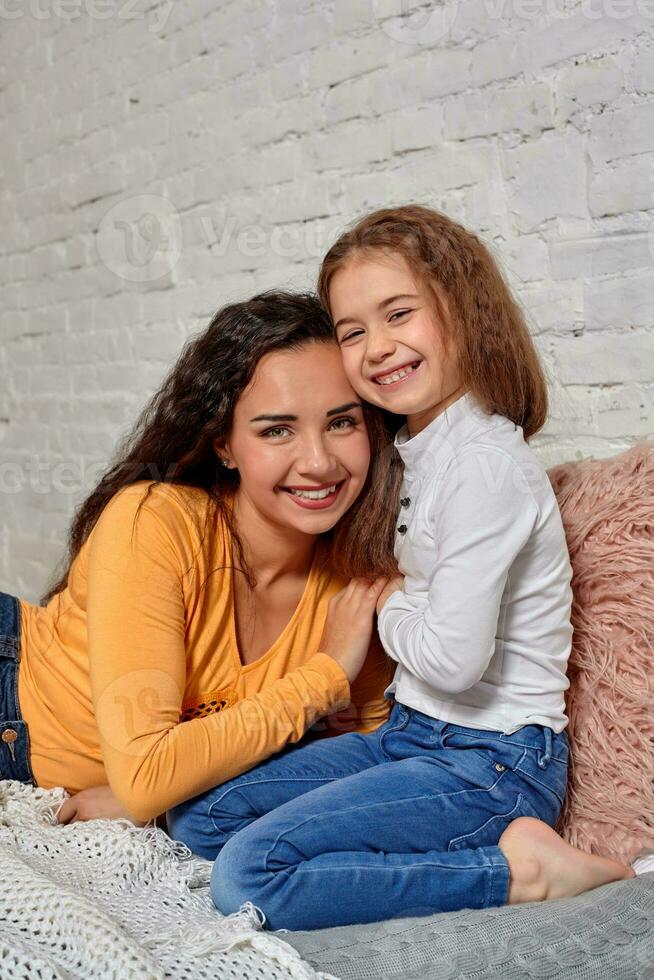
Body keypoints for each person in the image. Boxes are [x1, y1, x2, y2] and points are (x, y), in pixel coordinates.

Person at [174, 206, 634, 932]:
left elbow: (453, 662)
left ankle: (519, 874)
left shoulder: (485, 467)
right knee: (202, 816)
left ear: (462, 308)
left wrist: (386, 603)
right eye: (353, 331)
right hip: (411, 737)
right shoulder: (414, 453)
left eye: (398, 314)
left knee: (247, 874)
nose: (377, 347)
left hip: (494, 766)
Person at [0, 291, 400, 826]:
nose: (318, 461)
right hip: (15, 699)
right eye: (277, 430)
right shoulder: (155, 521)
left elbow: (364, 771)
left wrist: (168, 793)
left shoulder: (359, 583)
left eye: (341, 423)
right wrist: (322, 680)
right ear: (224, 445)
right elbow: (145, 776)